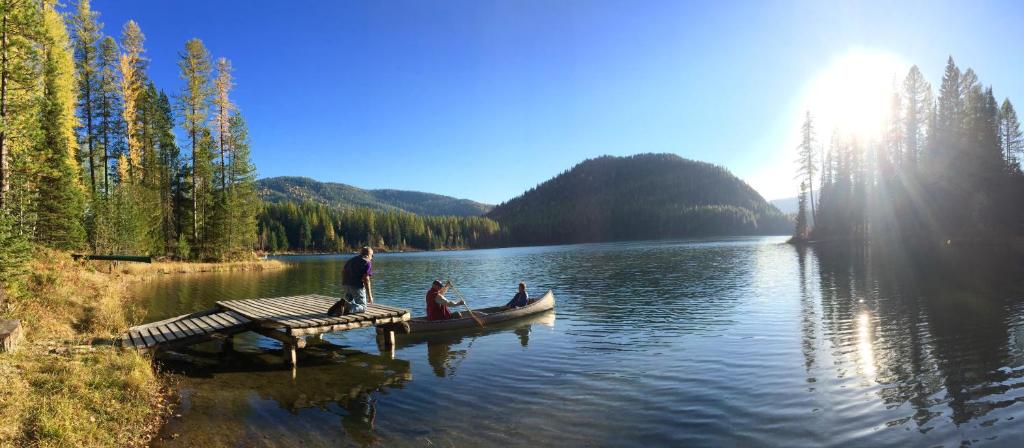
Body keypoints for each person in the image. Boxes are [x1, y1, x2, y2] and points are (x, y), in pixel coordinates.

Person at [328, 247, 374, 316]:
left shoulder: (351, 260)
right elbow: (366, 279)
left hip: (345, 284)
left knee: (348, 300)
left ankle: (341, 305)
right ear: (368, 255)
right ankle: (346, 306)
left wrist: (345, 283)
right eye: (372, 255)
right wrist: (370, 297)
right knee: (363, 307)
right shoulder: (367, 262)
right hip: (356, 286)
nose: (372, 257)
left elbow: (343, 272)